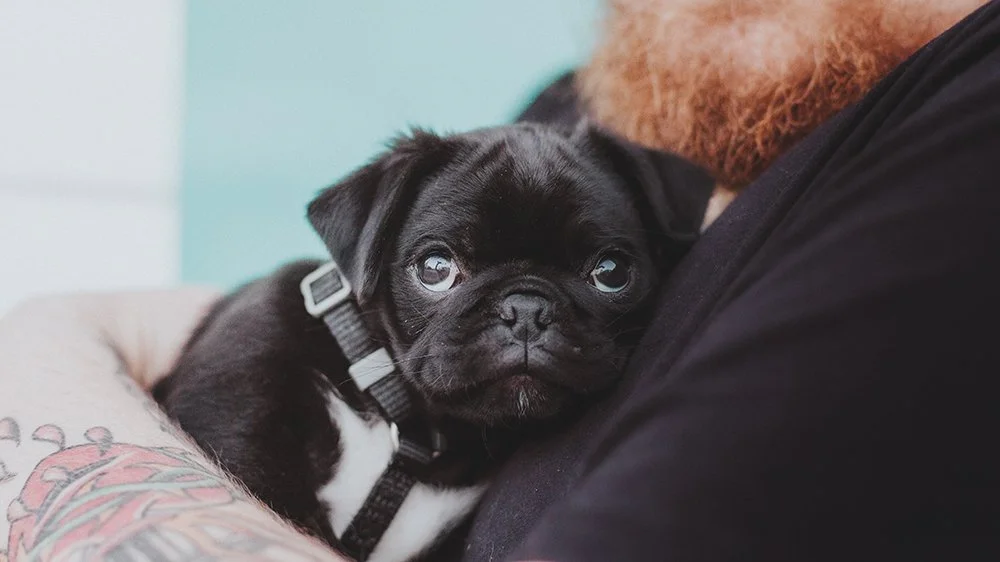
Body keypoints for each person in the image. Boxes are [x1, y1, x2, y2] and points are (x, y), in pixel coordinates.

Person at [3, 0, 1000, 559]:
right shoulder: (588, 116)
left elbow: (89, 342)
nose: (521, 320)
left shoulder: (961, 135)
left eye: (607, 274)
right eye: (442, 267)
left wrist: (52, 351)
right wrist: (43, 332)